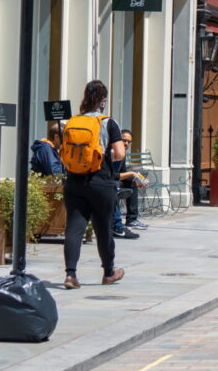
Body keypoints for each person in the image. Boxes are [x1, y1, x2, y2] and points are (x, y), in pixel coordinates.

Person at [61, 79, 126, 288]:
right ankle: (108, 272)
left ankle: (71, 274)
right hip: (101, 181)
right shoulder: (108, 122)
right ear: (103, 100)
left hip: (74, 181)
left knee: (74, 227)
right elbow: (119, 153)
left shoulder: (72, 121)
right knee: (104, 228)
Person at [113, 128, 148, 235]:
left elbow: (123, 172)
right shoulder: (112, 152)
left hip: (115, 180)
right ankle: (116, 224)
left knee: (132, 181)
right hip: (107, 181)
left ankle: (132, 220)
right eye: (124, 140)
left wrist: (137, 179)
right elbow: (110, 175)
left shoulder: (122, 154)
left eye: (129, 142)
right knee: (115, 185)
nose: (126, 143)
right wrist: (132, 174)